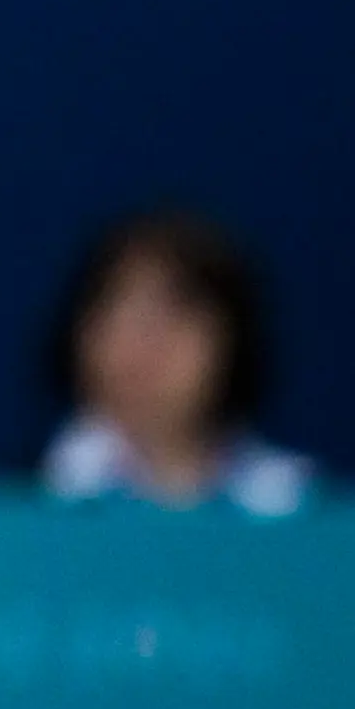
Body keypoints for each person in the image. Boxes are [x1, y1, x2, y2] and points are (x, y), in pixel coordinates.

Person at [41, 210, 313, 517]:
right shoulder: (34, 501)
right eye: (120, 317)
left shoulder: (289, 507)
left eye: (174, 319)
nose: (143, 346)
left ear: (233, 342)